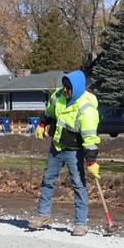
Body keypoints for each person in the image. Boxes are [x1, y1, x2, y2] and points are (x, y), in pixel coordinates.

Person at [29, 70, 100, 236]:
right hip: (57, 146)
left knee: (78, 184)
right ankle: (42, 215)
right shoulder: (58, 95)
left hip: (75, 151)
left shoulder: (86, 108)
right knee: (48, 180)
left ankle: (81, 224)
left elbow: (90, 137)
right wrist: (42, 123)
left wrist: (91, 161)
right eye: (65, 87)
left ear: (77, 88)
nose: (66, 90)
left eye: (69, 88)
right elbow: (50, 112)